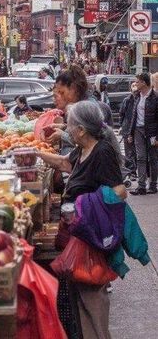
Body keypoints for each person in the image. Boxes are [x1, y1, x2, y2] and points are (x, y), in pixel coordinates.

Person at [38, 100, 125, 339]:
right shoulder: (83, 148)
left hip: (91, 235)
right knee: (81, 297)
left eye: (70, 125)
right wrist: (34, 154)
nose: (66, 128)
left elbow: (119, 191)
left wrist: (84, 205)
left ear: (82, 130)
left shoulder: (102, 151)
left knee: (92, 296)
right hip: (78, 231)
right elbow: (66, 163)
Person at [129, 72, 158, 195]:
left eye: (138, 81)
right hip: (138, 130)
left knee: (152, 158)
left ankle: (153, 185)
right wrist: (130, 133)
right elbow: (133, 116)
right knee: (140, 157)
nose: (135, 83)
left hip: (151, 131)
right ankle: (141, 186)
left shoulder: (155, 97)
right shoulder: (136, 96)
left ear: (144, 83)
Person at [120, 82, 138, 177]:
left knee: (136, 151)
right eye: (133, 86)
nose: (135, 89)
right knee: (129, 152)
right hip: (127, 129)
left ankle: (134, 170)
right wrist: (121, 126)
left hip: (137, 129)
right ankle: (131, 172)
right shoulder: (127, 100)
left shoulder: (140, 99)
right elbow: (122, 114)